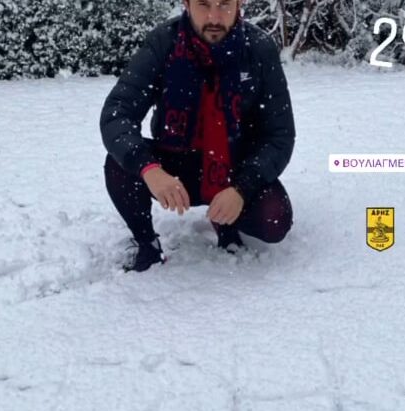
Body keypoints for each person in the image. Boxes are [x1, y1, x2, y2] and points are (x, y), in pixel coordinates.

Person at [100, 0, 295, 272]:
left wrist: (243, 188)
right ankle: (147, 243)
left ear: (239, 3)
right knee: (119, 163)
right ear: (186, 3)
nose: (214, 16)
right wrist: (149, 169)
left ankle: (226, 219)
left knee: (274, 218)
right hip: (175, 167)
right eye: (204, 4)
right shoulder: (163, 44)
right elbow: (117, 113)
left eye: (224, 4)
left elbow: (279, 135)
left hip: (233, 169)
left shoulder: (258, 50)